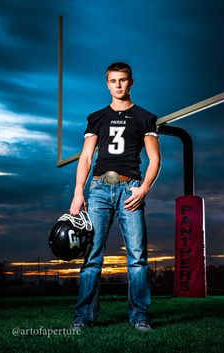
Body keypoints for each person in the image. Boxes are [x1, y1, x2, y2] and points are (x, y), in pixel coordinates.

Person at [70, 62, 161, 332]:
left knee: (137, 258)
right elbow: (86, 158)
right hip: (98, 189)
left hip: (129, 189)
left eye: (123, 80)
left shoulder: (145, 117)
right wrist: (78, 192)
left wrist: (144, 188)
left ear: (131, 82)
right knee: (91, 257)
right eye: (113, 80)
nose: (118, 85)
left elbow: (155, 158)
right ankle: (83, 316)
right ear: (106, 83)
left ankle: (140, 316)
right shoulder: (96, 117)